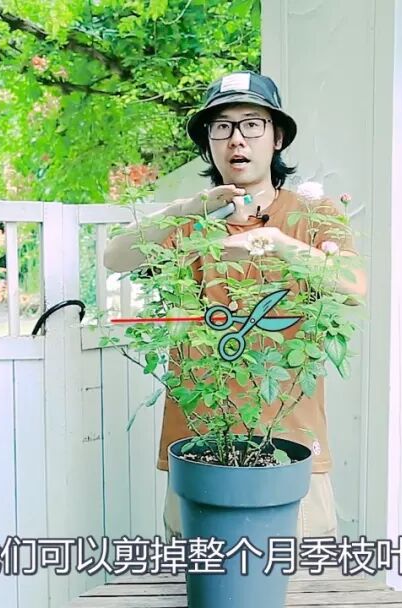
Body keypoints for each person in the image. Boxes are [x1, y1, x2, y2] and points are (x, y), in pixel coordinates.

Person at [102, 70, 366, 539]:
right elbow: (116, 257)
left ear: (277, 137)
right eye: (221, 127)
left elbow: (354, 284)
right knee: (200, 574)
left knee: (298, 571)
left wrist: (276, 242)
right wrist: (187, 209)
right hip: (200, 445)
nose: (236, 139)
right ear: (209, 142)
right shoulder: (192, 220)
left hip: (289, 446)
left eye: (251, 124)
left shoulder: (312, 215)